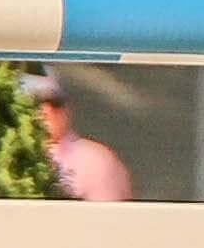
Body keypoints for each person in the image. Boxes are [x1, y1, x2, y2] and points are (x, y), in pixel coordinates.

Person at [21, 71, 134, 202]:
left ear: (67, 109)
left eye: (55, 103)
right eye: (34, 103)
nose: (46, 111)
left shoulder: (93, 160)